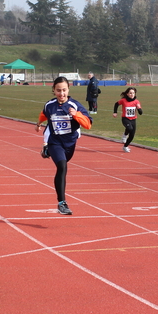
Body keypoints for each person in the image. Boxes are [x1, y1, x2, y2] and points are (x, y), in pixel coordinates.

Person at [35, 76, 92, 215]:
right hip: (55, 142)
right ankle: (62, 203)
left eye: (64, 90)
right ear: (53, 90)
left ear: (68, 89)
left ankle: (47, 152)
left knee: (64, 161)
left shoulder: (75, 105)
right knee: (62, 166)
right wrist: (38, 123)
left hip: (70, 144)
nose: (61, 94)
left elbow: (88, 125)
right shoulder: (50, 105)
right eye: (58, 90)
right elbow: (44, 114)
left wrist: (76, 115)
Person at [113, 87, 143, 153]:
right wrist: (115, 112)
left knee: (132, 135)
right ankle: (125, 135)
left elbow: (141, 113)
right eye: (130, 93)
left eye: (133, 93)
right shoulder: (123, 100)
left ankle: (125, 146)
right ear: (127, 94)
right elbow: (116, 104)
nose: (132, 94)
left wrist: (139, 108)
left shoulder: (136, 101)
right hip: (125, 119)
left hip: (133, 119)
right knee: (129, 128)